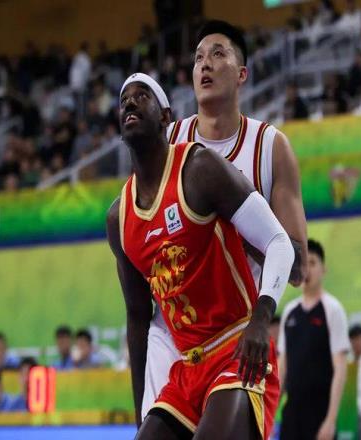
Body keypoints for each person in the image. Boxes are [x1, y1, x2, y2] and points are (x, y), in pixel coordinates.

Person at [107, 73, 295, 439]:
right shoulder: (120, 218)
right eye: (124, 99)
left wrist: (261, 320)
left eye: (141, 95)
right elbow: (137, 318)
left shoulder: (199, 169)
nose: (129, 101)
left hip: (239, 350)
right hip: (188, 368)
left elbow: (279, 243)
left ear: (165, 117)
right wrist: (141, 412)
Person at [144, 19, 308, 421]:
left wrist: (230, 216)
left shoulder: (270, 147)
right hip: (174, 335)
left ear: (241, 74)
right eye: (198, 57)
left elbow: (298, 266)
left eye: (218, 54)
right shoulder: (169, 142)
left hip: (238, 332)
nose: (205, 64)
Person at [278, 239, 349, 440]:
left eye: (312, 263)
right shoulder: (290, 312)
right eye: (303, 263)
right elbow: (282, 367)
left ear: (323, 269)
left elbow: (340, 369)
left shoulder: (333, 310)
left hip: (320, 414)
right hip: (292, 414)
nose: (307, 269)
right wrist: (270, 411)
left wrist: (330, 420)